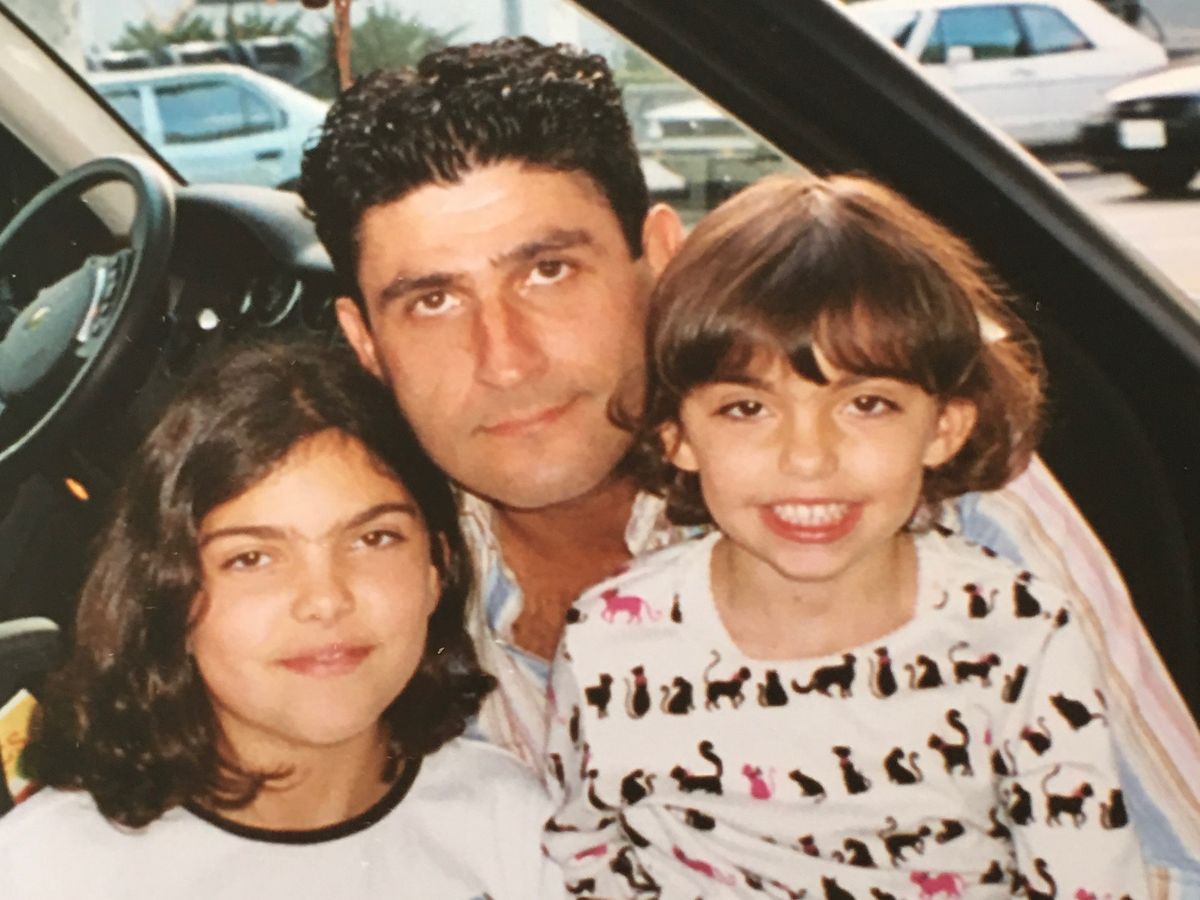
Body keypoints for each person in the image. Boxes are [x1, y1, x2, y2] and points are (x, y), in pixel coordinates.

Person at [297, 37, 1199, 886]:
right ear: (365, 341)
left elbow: (1167, 861)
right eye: (432, 301)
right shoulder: (353, 594)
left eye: (549, 272)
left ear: (659, 257)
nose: (505, 358)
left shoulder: (932, 499)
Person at [542, 173, 1148, 897]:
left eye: (867, 403)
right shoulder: (610, 643)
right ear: (677, 436)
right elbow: (584, 855)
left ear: (944, 427)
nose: (808, 458)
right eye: (746, 408)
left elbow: (1090, 878)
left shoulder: (1019, 631)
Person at [0, 339, 562, 899]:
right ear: (170, 594)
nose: (325, 599)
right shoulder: (51, 869)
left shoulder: (512, 824)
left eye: (373, 538)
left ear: (437, 569)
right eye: (252, 558)